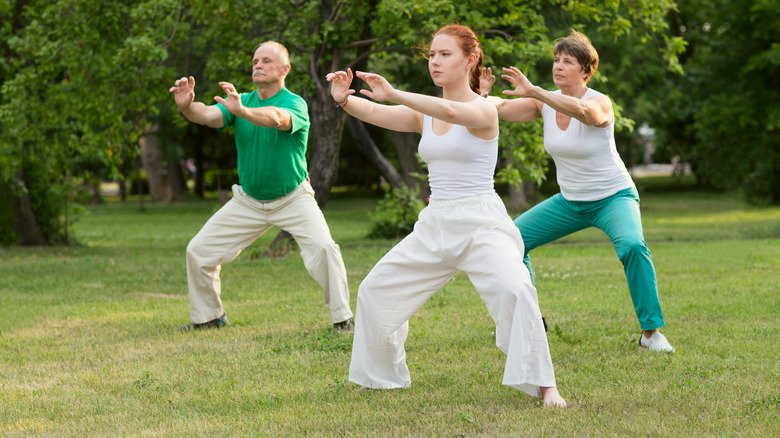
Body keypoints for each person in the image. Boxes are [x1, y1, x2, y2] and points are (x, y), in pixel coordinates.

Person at [327, 24, 567, 407]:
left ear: (470, 60)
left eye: (444, 55)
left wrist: (394, 92)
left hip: (481, 224)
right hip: (435, 224)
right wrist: (344, 100)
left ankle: (544, 385)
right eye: (432, 55)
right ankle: (380, 377)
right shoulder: (424, 114)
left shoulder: (484, 109)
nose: (435, 62)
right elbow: (378, 112)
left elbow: (453, 109)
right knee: (375, 290)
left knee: (516, 290)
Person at [480, 30, 674, 352]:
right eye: (556, 60)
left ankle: (651, 333)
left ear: (586, 71)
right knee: (512, 241)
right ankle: (530, 321)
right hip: (570, 202)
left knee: (632, 246)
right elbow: (500, 109)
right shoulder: (542, 104)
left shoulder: (599, 101)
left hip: (613, 197)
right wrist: (481, 97)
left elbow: (586, 114)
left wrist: (536, 91)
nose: (558, 66)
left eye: (567, 61)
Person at [169, 41, 354, 332]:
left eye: (267, 61)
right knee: (198, 250)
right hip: (248, 201)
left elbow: (276, 119)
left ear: (285, 69)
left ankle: (342, 318)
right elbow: (206, 115)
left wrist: (241, 111)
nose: (258, 65)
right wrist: (187, 106)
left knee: (324, 248)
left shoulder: (294, 103)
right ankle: (209, 318)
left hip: (293, 198)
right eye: (256, 60)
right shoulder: (239, 100)